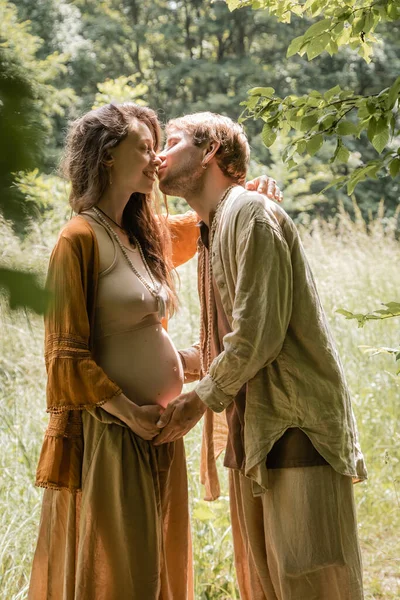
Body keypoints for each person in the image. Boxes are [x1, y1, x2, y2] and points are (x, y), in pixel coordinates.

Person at [29, 102, 280, 600]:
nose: (155, 159)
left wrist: (245, 192)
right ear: (106, 156)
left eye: (158, 146)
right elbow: (64, 356)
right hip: (113, 433)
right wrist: (129, 413)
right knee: (124, 577)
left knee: (160, 572)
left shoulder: (139, 236)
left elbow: (199, 225)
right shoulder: (78, 239)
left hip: (159, 432)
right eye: (144, 148)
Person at [155, 112, 368, 600]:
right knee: (267, 582)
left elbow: (258, 335)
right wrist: (164, 366)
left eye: (174, 141)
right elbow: (223, 342)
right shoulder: (212, 230)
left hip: (295, 423)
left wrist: (197, 401)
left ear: (210, 152)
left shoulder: (251, 213)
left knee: (313, 579)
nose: (161, 154)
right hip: (253, 428)